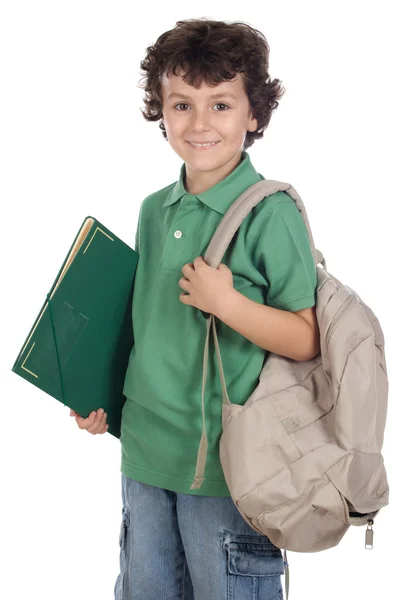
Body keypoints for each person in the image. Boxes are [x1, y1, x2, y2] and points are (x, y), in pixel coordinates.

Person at [71, 17, 320, 600]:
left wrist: (227, 303)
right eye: (182, 104)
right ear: (160, 112)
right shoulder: (154, 209)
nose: (200, 123)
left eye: (221, 105)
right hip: (146, 459)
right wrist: (102, 402)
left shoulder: (271, 212)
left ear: (254, 115)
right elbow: (144, 328)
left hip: (230, 474)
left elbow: (306, 338)